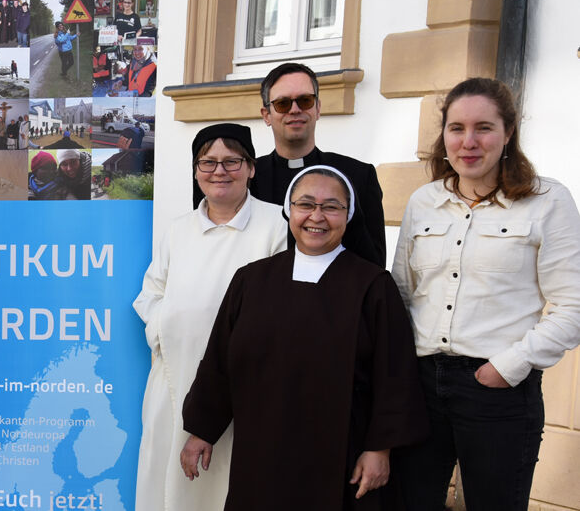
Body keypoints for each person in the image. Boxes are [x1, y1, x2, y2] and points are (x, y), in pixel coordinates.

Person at [180, 166, 428, 510]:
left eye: (331, 206)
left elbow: (395, 375)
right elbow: (220, 363)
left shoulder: (372, 286)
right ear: (289, 209)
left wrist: (379, 448)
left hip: (340, 456)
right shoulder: (251, 281)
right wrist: (201, 430)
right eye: (305, 204)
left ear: (348, 214)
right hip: (261, 453)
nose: (316, 216)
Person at [391, 78, 580, 511]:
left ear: (508, 132)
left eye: (484, 127)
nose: (468, 141)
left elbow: (573, 306)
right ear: (444, 136)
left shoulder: (547, 201)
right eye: (456, 128)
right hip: (420, 386)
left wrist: (507, 366)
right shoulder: (424, 202)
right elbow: (402, 293)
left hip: (497, 391)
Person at [132, 124, 287, 510]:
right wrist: (169, 327)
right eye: (208, 162)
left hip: (242, 384)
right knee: (167, 480)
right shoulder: (179, 229)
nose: (220, 171)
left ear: (251, 168)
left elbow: (284, 303)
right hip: (172, 377)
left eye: (232, 161)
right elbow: (150, 295)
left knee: (227, 482)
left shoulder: (276, 225)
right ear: (196, 170)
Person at [193, 62, 386, 267]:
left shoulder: (357, 176)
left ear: (318, 108)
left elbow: (373, 263)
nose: (294, 110)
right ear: (266, 115)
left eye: (305, 100)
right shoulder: (242, 177)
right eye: (283, 103)